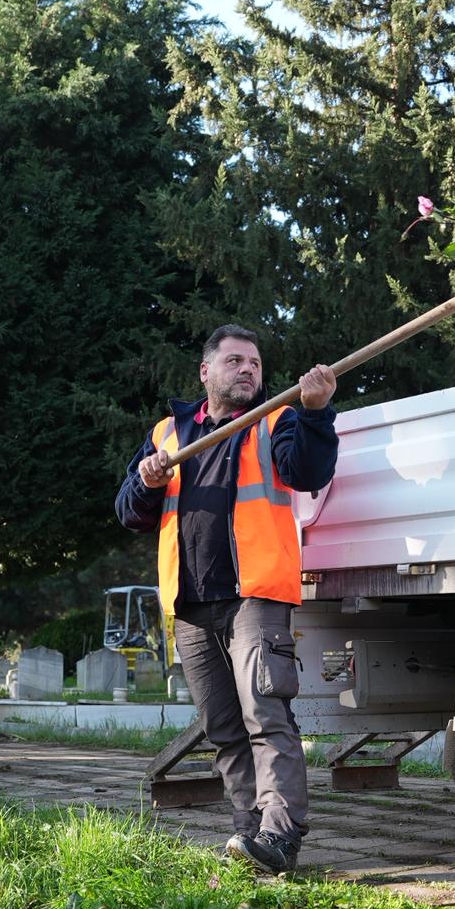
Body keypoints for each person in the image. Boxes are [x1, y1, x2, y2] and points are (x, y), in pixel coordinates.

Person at [116, 324, 338, 874]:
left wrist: (315, 412)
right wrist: (145, 481)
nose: (249, 371)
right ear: (205, 372)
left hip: (254, 597)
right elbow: (129, 512)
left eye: (256, 364)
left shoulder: (278, 417)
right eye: (236, 361)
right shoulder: (168, 433)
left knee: (266, 714)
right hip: (190, 605)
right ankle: (249, 834)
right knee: (223, 727)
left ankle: (281, 835)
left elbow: (309, 471)